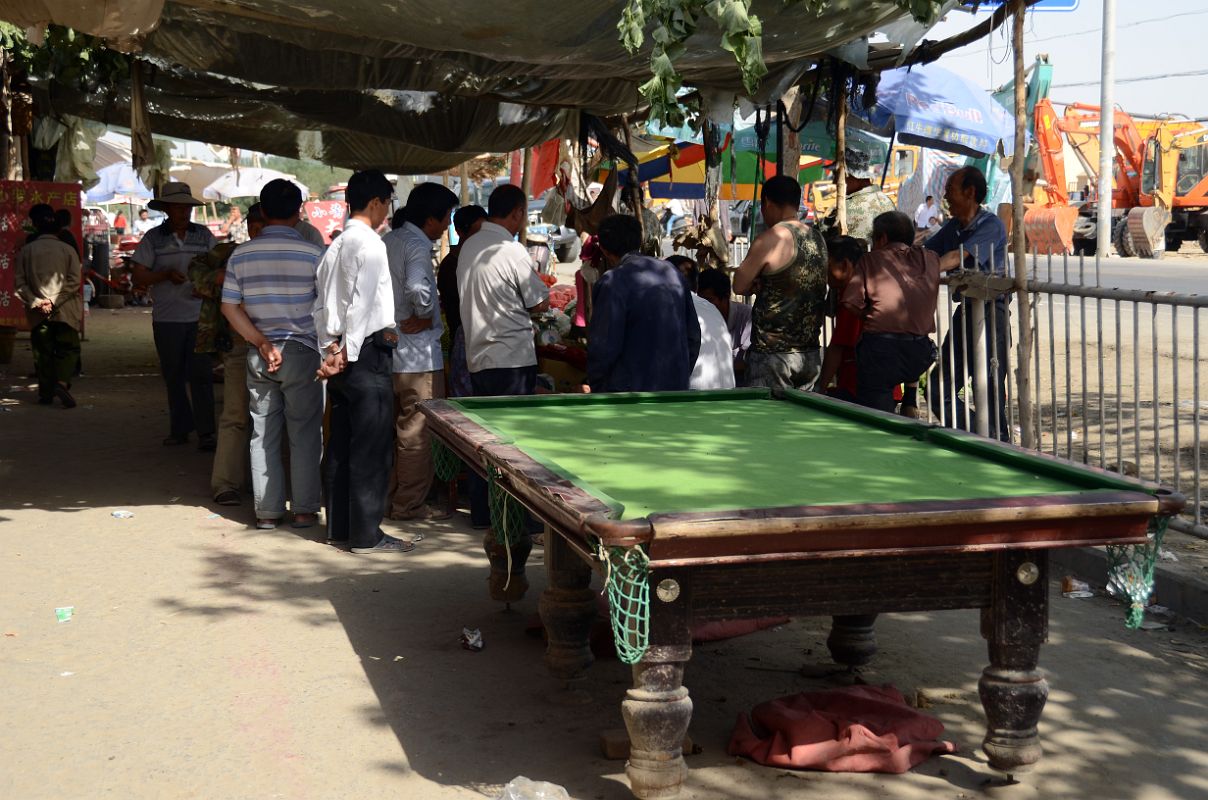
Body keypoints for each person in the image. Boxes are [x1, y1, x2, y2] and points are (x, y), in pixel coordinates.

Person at [313, 170, 411, 553]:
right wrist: (347, 352)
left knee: (340, 442)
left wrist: (330, 350)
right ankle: (366, 535)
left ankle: (340, 527)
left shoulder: (335, 246)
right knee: (370, 446)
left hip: (342, 349)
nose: (388, 211)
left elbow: (321, 306)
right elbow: (361, 304)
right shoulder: (369, 244)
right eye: (387, 203)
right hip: (364, 352)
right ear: (376, 202)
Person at [221, 180, 324, 530]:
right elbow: (327, 309)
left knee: (262, 432)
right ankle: (305, 509)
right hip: (302, 350)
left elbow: (229, 306)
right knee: (305, 433)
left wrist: (261, 342)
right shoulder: (315, 254)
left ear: (262, 212)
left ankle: (267, 512)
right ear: (299, 212)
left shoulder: (242, 254)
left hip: (259, 352)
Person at [458, 184, 549, 527]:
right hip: (510, 358)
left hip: (479, 356)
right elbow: (538, 301)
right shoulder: (509, 250)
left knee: (487, 440)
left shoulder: (469, 246)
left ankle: (485, 513)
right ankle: (519, 518)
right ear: (516, 214)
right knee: (516, 445)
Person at [382, 182, 458, 521]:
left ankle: (391, 498)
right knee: (415, 433)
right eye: (447, 218)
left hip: (389, 350)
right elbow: (416, 287)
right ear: (432, 218)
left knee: (394, 431)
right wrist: (424, 315)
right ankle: (409, 504)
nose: (447, 226)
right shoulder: (414, 244)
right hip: (416, 357)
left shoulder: (390, 240)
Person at [925, 166, 1011, 441]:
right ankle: (980, 436)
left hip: (991, 314)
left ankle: (998, 442)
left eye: (950, 189)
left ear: (970, 192)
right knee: (938, 390)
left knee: (990, 391)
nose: (945, 195)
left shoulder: (990, 225)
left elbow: (954, 258)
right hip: (966, 313)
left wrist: (919, 269)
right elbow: (928, 252)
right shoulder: (953, 226)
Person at [130, 182, 218, 450]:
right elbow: (138, 275)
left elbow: (219, 268)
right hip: (167, 318)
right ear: (167, 209)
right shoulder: (153, 238)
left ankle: (206, 433)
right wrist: (164, 275)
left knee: (201, 375)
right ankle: (180, 429)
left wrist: (207, 286)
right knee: (174, 376)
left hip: (199, 317)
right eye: (178, 207)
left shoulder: (204, 236)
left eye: (187, 207)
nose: (184, 212)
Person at [189, 203, 266, 507]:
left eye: (264, 225)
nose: (258, 231)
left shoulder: (288, 252)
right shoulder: (230, 254)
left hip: (279, 346)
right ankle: (226, 484)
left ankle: (263, 485)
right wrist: (215, 279)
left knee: (269, 419)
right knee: (236, 415)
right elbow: (195, 269)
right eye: (255, 226)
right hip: (238, 344)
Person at [732, 175, 828, 391]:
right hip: (810, 353)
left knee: (765, 421)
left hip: (773, 355)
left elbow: (738, 285)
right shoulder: (817, 238)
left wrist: (756, 282)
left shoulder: (771, 238)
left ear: (766, 202)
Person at [586, 215, 701, 392]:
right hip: (673, 389)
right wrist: (679, 375)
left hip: (629, 395)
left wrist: (597, 386)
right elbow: (693, 336)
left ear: (604, 250)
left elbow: (603, 348)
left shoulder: (613, 282)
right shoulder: (670, 272)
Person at [840, 211, 941, 413]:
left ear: (883, 238)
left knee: (876, 412)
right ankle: (910, 400)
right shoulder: (930, 258)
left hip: (881, 352)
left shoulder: (871, 260)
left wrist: (869, 314)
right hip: (920, 352)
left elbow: (850, 302)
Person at [16, 203, 81, 407]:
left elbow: (19, 284)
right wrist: (54, 301)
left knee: (42, 352)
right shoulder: (68, 249)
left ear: (36, 227)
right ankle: (61, 382)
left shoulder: (26, 251)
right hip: (65, 311)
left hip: (38, 314)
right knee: (68, 348)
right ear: (58, 229)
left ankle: (45, 393)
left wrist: (37, 302)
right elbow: (73, 281)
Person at [436, 204, 486, 398]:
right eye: (477, 231)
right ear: (459, 231)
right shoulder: (451, 265)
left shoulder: (484, 257)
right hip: (466, 341)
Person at [815, 236, 868, 403]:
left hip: (858, 385)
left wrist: (821, 388)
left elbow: (837, 347)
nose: (824, 274)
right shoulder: (864, 284)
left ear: (844, 265)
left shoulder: (852, 297)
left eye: (827, 267)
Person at [669, 257, 734, 391]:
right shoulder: (711, 308)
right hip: (727, 397)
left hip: (693, 400)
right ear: (696, 285)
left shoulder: (671, 306)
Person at [819, 149, 896, 244]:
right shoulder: (888, 202)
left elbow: (821, 242)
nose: (834, 182)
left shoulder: (844, 208)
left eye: (837, 175)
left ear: (855, 175)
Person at [697, 268, 752, 385]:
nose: (704, 306)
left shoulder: (747, 317)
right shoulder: (697, 317)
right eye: (700, 301)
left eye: (709, 300)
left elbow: (750, 362)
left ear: (726, 297)